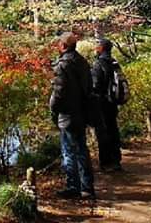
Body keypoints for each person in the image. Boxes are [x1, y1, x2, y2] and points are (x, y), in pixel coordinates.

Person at [49, 32, 95, 199]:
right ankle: (87, 188)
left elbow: (58, 93)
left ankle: (73, 186)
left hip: (67, 114)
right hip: (82, 112)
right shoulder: (82, 62)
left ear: (64, 46)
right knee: (82, 150)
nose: (57, 46)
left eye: (59, 43)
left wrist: (52, 109)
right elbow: (90, 86)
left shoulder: (62, 65)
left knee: (68, 152)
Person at [91, 38, 123, 172]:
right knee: (113, 130)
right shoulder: (114, 62)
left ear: (101, 48)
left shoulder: (99, 64)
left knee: (103, 133)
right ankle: (116, 160)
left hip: (102, 103)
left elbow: (95, 85)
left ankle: (106, 163)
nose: (94, 48)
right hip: (113, 102)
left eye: (96, 46)